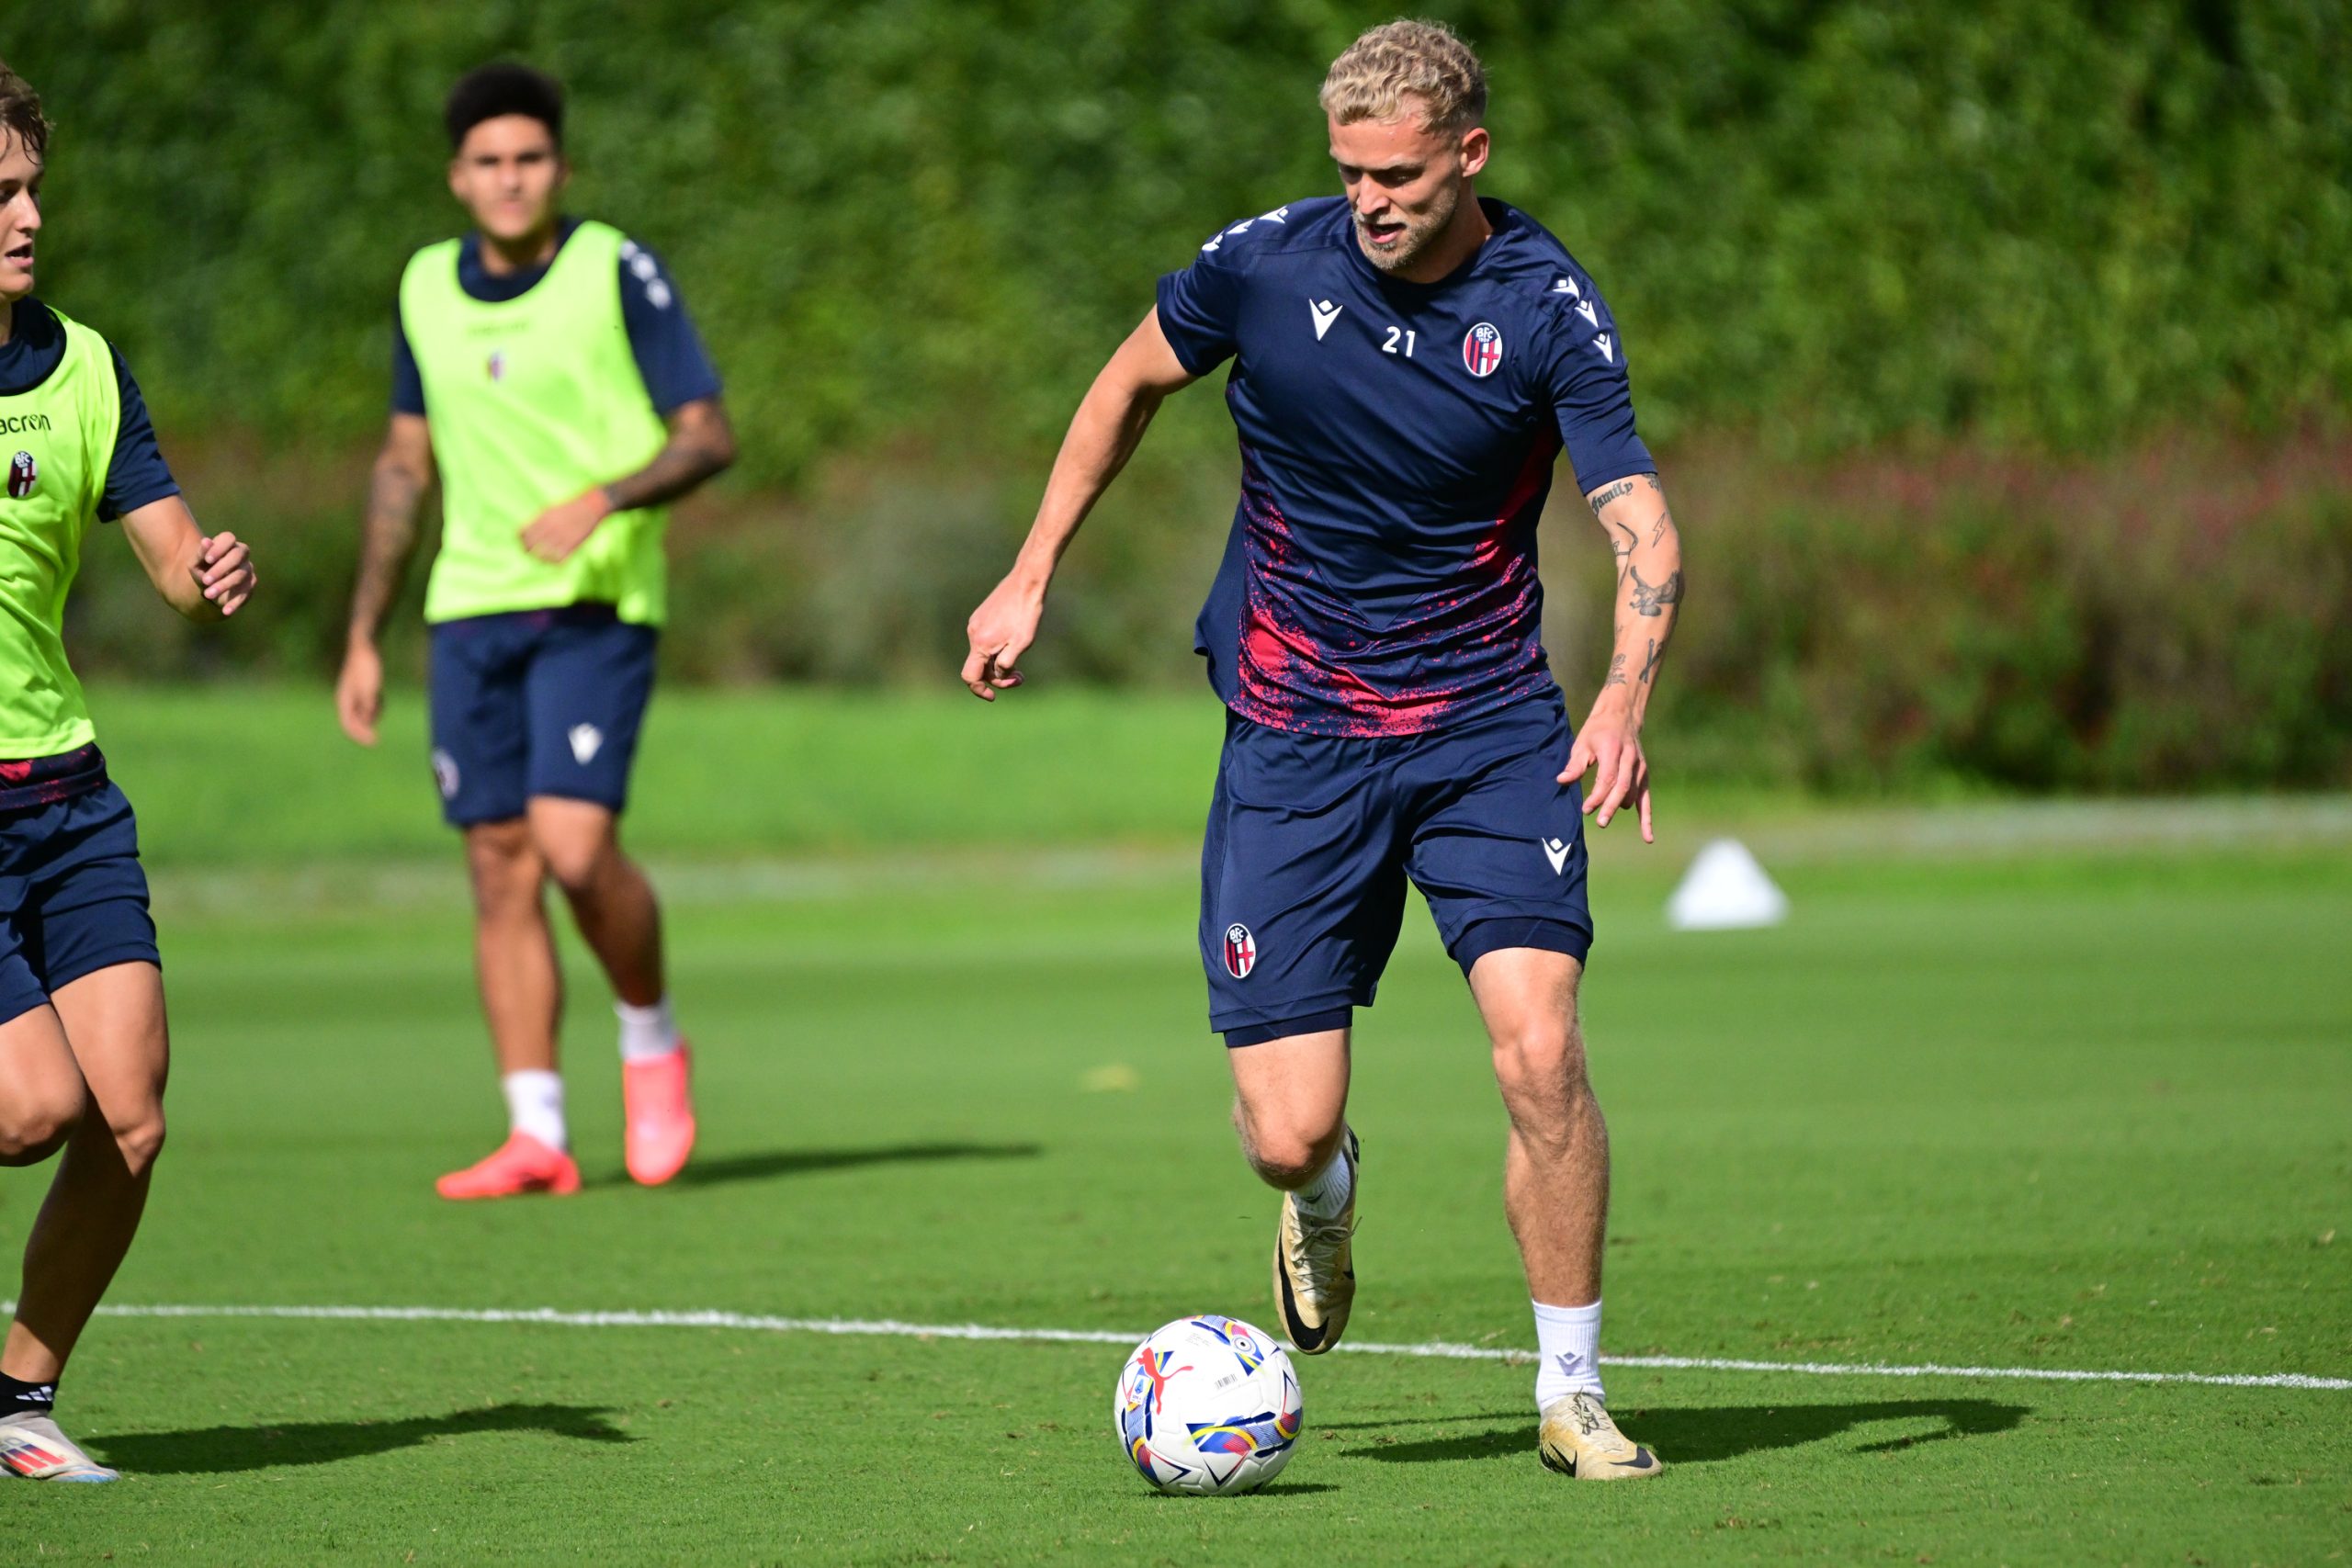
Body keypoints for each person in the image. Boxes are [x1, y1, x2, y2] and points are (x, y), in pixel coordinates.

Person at [963, 20, 1681, 1478]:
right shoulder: (1267, 265)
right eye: (1350, 170)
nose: (1371, 198)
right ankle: (1325, 1189)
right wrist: (1031, 567)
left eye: (1401, 173)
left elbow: (1640, 523)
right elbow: (1124, 385)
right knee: (1287, 1131)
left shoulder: (1547, 307)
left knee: (1540, 1049)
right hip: (1295, 734)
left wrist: (1623, 695)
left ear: (1470, 154)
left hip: (1489, 729)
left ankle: (1572, 1388)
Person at [335, 63, 735, 1200]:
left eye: (531, 159)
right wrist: (362, 633)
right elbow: (404, 460)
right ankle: (536, 1131)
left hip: (594, 607)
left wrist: (604, 498)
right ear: (458, 177)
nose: (511, 180)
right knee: (497, 867)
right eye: (488, 162)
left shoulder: (616, 268)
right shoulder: (423, 286)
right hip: (467, 612)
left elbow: (708, 433)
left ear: (558, 167)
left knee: (571, 849)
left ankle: (652, 1044)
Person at [0, 60, 258, 1482]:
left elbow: (169, 556)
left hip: (64, 796)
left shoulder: (84, 363)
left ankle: (13, 1398)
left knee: (128, 1111)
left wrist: (206, 569)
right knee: (26, 1104)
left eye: (32, 186)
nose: (27, 215)